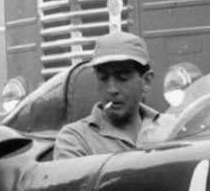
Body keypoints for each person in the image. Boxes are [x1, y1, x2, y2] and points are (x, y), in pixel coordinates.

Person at [53, 31, 166, 159]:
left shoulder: (171, 127)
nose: (112, 89)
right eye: (103, 78)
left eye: (122, 78)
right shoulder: (75, 139)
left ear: (146, 81)